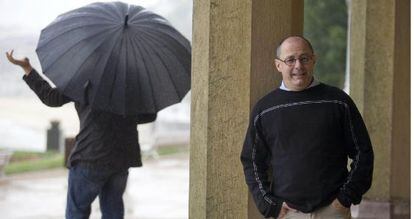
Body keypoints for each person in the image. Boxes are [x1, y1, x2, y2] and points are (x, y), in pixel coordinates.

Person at [6, 50, 156, 219]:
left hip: (91, 155)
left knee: (76, 213)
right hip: (121, 158)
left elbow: (51, 98)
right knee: (113, 212)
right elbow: (149, 115)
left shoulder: (85, 78)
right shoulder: (132, 80)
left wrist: (28, 69)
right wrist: (123, 117)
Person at [240, 36, 374, 219]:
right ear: (278, 65)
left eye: (304, 58)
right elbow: (252, 161)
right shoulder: (265, 110)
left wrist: (346, 198)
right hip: (287, 214)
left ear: (314, 60)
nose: (298, 66)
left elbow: (363, 152)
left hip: (332, 211)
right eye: (290, 60)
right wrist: (268, 205)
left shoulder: (338, 102)